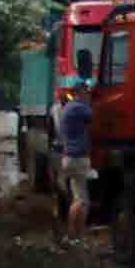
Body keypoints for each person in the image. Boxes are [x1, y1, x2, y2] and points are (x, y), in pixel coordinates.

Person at [56, 86, 95, 237]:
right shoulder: (79, 107)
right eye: (86, 92)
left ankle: (72, 232)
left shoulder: (68, 108)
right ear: (79, 93)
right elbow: (95, 115)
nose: (88, 95)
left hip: (68, 157)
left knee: (76, 197)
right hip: (78, 158)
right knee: (82, 201)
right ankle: (78, 233)